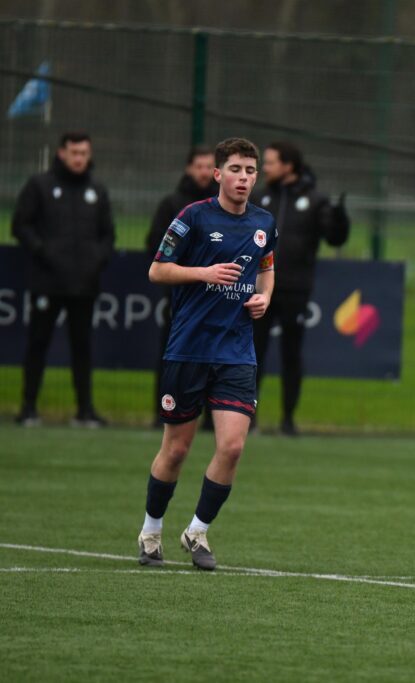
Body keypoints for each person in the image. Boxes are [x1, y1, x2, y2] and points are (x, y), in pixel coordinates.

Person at [136, 137, 276, 571]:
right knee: (176, 449)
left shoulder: (264, 221)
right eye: (235, 169)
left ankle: (197, 531)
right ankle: (151, 530)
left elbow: (268, 269)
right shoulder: (192, 217)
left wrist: (264, 297)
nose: (243, 178)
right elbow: (157, 269)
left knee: (232, 446)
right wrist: (204, 273)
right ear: (218, 174)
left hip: (236, 351)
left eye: (250, 171)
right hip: (189, 349)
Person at [12, 131, 115, 428]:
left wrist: (98, 259)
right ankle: (28, 407)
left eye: (84, 153)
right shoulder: (40, 186)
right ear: (62, 153)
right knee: (38, 343)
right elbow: (21, 225)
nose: (79, 158)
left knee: (82, 346)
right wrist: (43, 251)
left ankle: (85, 410)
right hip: (47, 281)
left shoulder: (97, 190)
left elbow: (108, 234)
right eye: (74, 152)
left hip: (84, 284)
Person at [252, 141, 349, 435]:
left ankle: (287, 419)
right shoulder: (260, 197)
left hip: (295, 289)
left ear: (288, 166)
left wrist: (339, 219)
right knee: (252, 353)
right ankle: (247, 416)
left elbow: (334, 238)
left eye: (269, 163)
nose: (264, 168)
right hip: (258, 288)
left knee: (291, 354)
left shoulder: (315, 199)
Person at [145, 145, 218, 428]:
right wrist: (190, 270)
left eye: (208, 167)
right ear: (189, 168)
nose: (203, 172)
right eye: (198, 166)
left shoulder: (224, 208)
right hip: (182, 297)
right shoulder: (173, 204)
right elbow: (154, 247)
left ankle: (214, 417)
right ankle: (163, 410)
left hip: (218, 298)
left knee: (217, 358)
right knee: (173, 355)